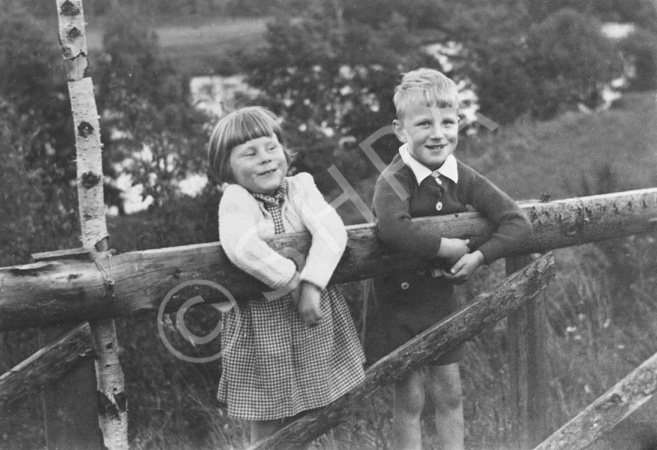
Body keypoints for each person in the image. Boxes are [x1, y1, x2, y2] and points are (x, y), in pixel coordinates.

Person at [367, 68, 532, 450]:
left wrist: (478, 256)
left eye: (448, 121)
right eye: (424, 123)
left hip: (441, 302)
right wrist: (447, 247)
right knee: (410, 399)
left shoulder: (463, 175)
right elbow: (391, 228)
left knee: (450, 394)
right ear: (400, 130)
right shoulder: (394, 179)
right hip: (398, 304)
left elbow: (518, 223)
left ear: (459, 122)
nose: (438, 133)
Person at [208, 106, 365, 444]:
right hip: (262, 327)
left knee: (316, 412)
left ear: (284, 152)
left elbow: (332, 231)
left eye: (271, 147)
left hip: (312, 316)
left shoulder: (301, 187)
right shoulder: (236, 199)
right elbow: (242, 246)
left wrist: (310, 284)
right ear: (227, 166)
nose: (265, 158)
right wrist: (290, 281)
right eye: (249, 153)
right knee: (268, 417)